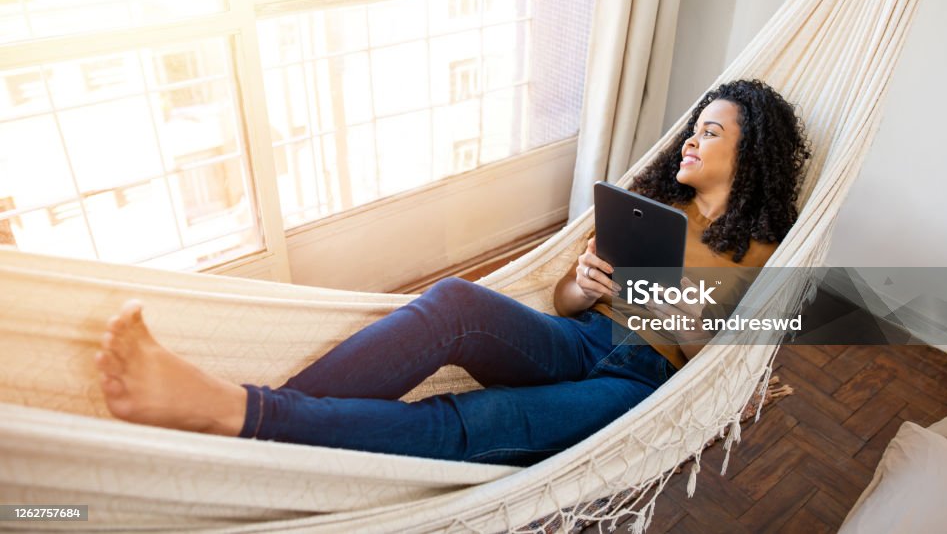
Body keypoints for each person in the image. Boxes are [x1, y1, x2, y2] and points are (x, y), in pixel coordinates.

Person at [94, 79, 810, 467]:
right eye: (694, 125)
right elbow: (563, 299)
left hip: (640, 382)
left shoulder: (767, 251)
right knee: (452, 303)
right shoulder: (651, 203)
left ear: (752, 154)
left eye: (710, 131)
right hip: (587, 337)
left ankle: (239, 414)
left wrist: (661, 304)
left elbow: (717, 364)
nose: (690, 137)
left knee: (478, 419)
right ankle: (260, 422)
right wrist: (587, 283)